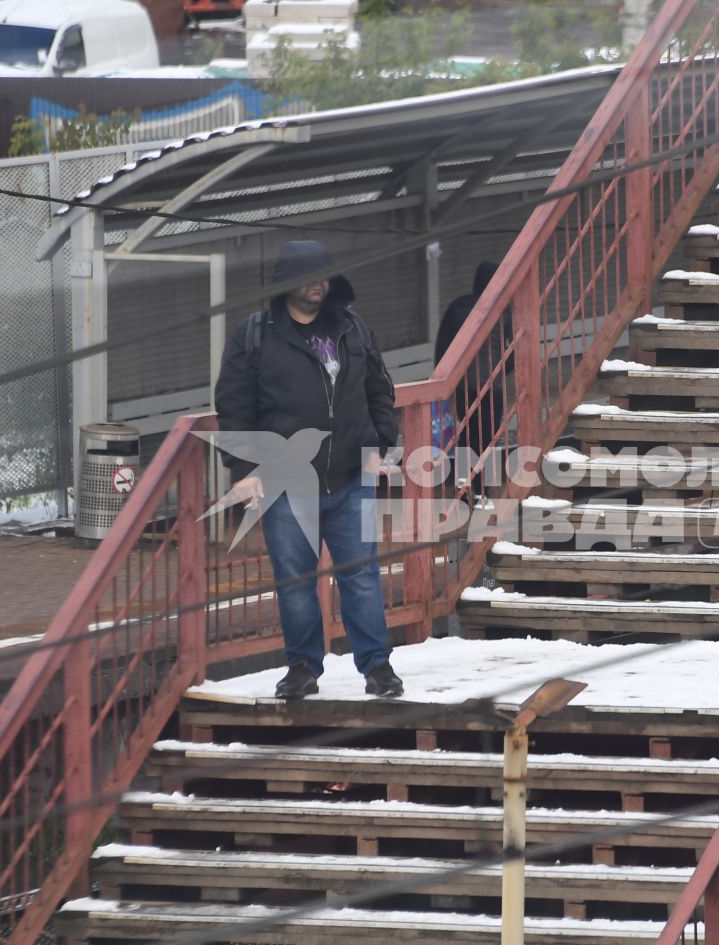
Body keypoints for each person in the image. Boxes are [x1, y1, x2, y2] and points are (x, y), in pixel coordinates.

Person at [215, 240, 405, 700]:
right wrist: (243, 468)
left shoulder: (353, 329)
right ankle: (302, 667)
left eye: (323, 276)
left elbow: (381, 388)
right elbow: (234, 407)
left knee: (360, 577)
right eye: (306, 277)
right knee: (296, 581)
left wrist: (382, 443)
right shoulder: (253, 336)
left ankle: (378, 668)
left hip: (350, 478)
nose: (317, 285)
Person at [433, 260, 509, 489]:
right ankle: (482, 489)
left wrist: (445, 379)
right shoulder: (503, 309)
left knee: (467, 434)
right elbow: (516, 347)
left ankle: (465, 486)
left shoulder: (457, 307)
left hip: (465, 386)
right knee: (489, 437)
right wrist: (501, 369)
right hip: (493, 387)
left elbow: (443, 347)